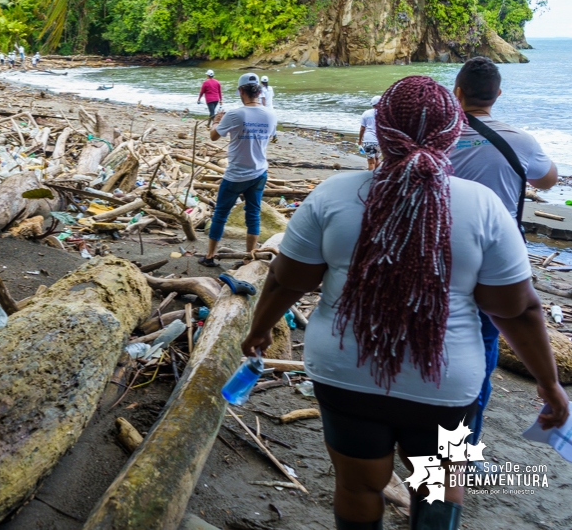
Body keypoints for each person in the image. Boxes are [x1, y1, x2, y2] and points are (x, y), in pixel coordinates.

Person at [240, 76, 568, 530]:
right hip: (447, 382)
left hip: (343, 372)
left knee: (357, 486)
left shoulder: (333, 194)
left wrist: (258, 331)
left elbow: (286, 281)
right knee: (437, 487)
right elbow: (517, 309)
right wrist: (549, 383)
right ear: (453, 131)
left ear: (381, 129)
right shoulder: (483, 205)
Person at [449, 57, 560, 448]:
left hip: (438, 254)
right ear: (497, 94)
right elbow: (548, 181)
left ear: (456, 91)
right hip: (497, 259)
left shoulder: (435, 138)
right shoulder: (521, 140)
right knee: (483, 347)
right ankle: (461, 450)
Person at [199, 74, 277, 266]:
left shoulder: (236, 114)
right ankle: (248, 257)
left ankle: (210, 256)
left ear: (241, 91)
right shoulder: (270, 114)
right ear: (259, 91)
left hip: (236, 173)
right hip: (259, 171)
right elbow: (270, 136)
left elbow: (214, 136)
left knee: (220, 214)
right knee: (253, 214)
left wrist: (217, 120)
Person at [358, 95, 381, 170]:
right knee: (377, 159)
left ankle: (371, 179)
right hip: (379, 141)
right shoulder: (383, 114)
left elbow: (362, 128)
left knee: (371, 162)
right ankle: (377, 177)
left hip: (368, 140)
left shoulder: (366, 113)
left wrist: (360, 140)